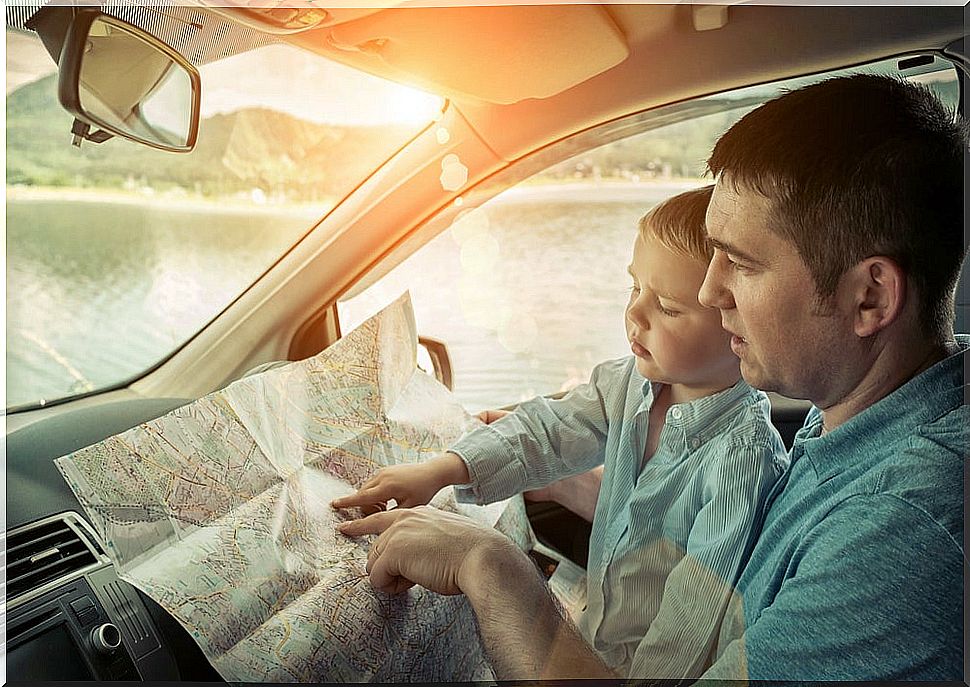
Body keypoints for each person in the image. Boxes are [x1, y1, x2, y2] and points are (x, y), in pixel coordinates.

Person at [336, 73, 968, 681]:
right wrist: (580, 486)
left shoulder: (899, 535)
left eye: (742, 263)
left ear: (869, 298)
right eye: (712, 253)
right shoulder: (861, 424)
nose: (711, 290)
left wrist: (485, 562)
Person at [334, 185, 789, 678]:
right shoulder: (629, 383)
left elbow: (695, 619)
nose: (634, 314)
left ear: (737, 318)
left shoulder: (743, 462)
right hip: (592, 638)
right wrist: (445, 469)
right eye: (635, 288)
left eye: (669, 308)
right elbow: (547, 430)